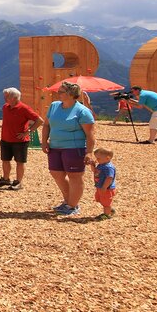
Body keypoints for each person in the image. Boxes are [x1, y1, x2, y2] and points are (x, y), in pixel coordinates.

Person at [40, 81, 96, 216]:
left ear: (71, 94)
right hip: (55, 146)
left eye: (61, 92)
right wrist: (44, 141)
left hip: (74, 148)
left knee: (74, 176)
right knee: (56, 173)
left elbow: (90, 134)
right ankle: (68, 201)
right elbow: (46, 125)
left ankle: (72, 205)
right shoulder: (54, 106)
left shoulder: (83, 111)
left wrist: (89, 152)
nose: (58, 94)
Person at [0, 88, 43, 191]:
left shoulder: (24, 108)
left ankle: (18, 182)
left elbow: (39, 120)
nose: (5, 98)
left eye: (7, 96)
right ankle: (5, 179)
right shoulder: (5, 107)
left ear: (14, 98)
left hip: (20, 141)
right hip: (5, 139)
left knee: (20, 162)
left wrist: (28, 132)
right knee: (5, 160)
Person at [92, 147, 117, 221]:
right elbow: (95, 171)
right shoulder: (101, 164)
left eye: (98, 158)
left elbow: (109, 178)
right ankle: (109, 210)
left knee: (106, 202)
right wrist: (92, 165)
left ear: (107, 158)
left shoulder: (108, 168)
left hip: (106, 188)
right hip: (100, 186)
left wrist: (104, 187)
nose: (97, 160)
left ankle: (107, 214)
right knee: (100, 199)